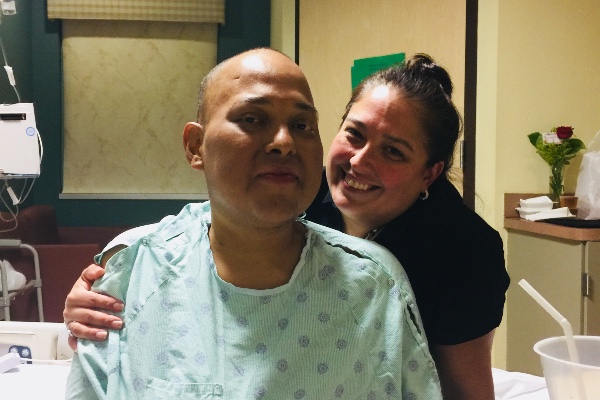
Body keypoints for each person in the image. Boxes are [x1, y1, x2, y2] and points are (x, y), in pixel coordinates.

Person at [64, 53, 509, 399]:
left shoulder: (449, 254)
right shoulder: (299, 191)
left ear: (429, 173)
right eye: (353, 134)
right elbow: (231, 209)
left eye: (393, 151)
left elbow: (465, 391)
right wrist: (117, 278)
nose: (358, 161)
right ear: (195, 145)